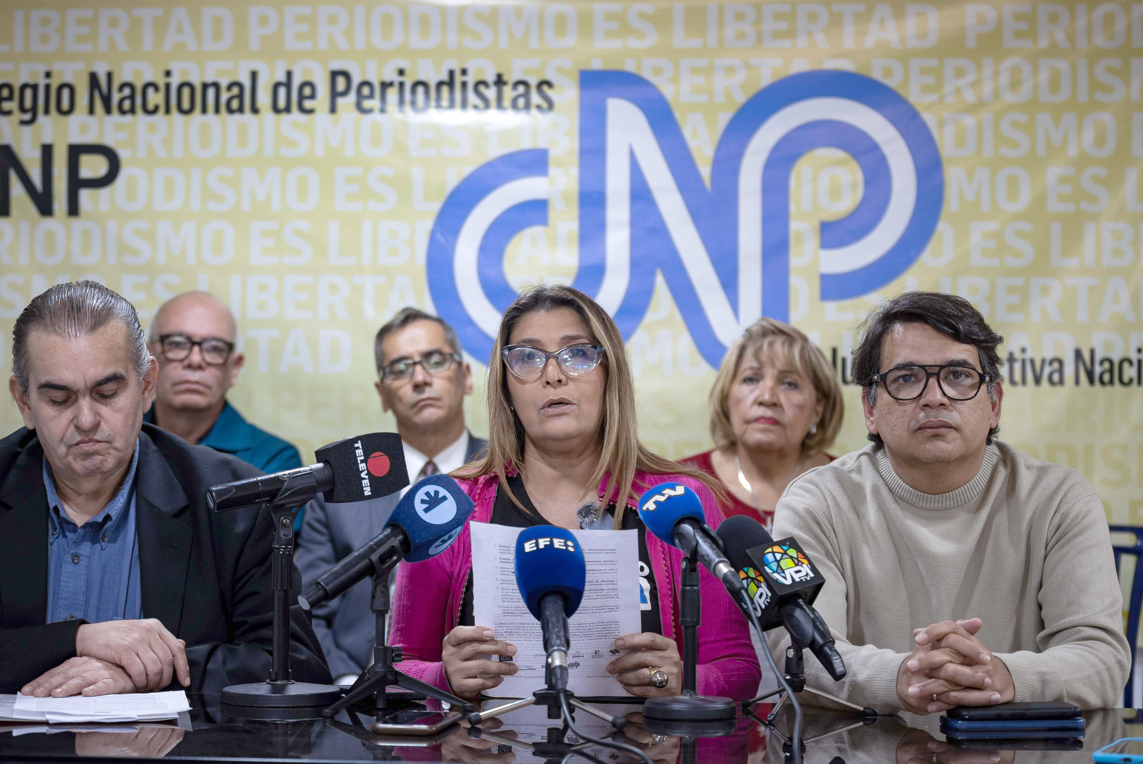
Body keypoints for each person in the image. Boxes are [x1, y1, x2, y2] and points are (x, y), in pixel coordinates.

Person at [0, 281, 330, 713]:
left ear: (147, 387)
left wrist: (146, 674)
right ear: (24, 401)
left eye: (108, 394)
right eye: (59, 398)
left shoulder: (232, 502)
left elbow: (296, 669)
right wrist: (79, 639)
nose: (86, 419)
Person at [388, 285, 759, 702]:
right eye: (527, 357)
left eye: (577, 354)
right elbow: (397, 667)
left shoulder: (679, 502)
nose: (553, 375)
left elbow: (739, 669)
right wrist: (444, 677)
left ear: (609, 374)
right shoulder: (450, 505)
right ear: (506, 388)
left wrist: (683, 681)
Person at [771, 291, 1129, 714]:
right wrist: (901, 677)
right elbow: (796, 652)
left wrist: (1002, 677)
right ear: (870, 407)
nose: (935, 397)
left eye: (958, 376)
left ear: (994, 403)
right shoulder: (812, 502)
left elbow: (1101, 658)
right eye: (906, 379)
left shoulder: (1060, 500)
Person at [297, 308, 487, 682]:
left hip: (479, 693)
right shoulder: (342, 487)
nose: (419, 378)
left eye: (435, 360)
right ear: (382, 394)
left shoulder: (506, 473)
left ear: (465, 377)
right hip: (358, 698)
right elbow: (305, 611)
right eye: (399, 368)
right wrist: (346, 683)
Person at [681, 318, 843, 530]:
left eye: (789, 384)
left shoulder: (846, 489)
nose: (767, 397)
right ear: (726, 398)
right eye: (751, 379)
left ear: (817, 410)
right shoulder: (681, 486)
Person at [144, 291, 301, 475]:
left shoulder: (273, 459)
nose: (195, 360)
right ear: (147, 362)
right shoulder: (119, 442)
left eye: (214, 348)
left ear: (234, 368)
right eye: (177, 344)